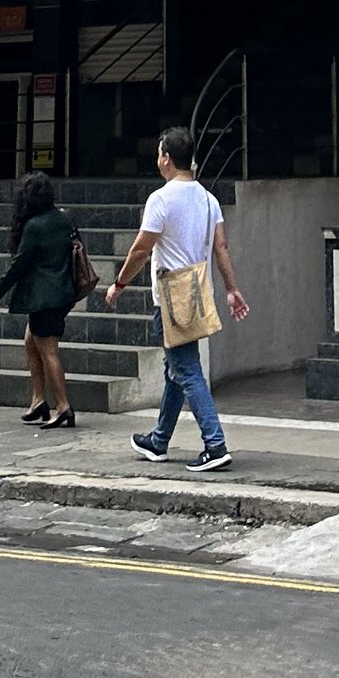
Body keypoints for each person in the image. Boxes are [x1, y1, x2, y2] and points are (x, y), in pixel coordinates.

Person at [106, 125, 247, 471]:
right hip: (199, 292)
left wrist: (119, 283)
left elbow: (141, 248)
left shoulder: (161, 199)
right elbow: (222, 247)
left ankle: (215, 445)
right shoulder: (208, 199)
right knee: (176, 369)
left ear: (166, 158)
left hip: (172, 297)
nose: (158, 159)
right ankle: (159, 440)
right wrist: (232, 289)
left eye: (159, 153)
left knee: (186, 369)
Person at [0, 171, 86, 430]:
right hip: (64, 293)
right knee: (30, 341)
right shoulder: (66, 218)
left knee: (48, 350)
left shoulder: (34, 226)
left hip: (44, 296)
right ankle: (38, 401)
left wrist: (0, 289)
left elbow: (20, 262)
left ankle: (63, 406)